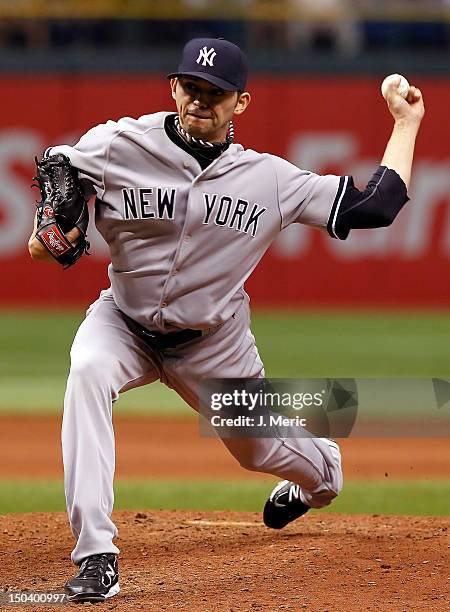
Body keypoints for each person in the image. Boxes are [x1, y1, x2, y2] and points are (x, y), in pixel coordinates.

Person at [28, 37, 425, 603]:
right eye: (191, 87)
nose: (199, 101)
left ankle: (322, 474)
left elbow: (376, 207)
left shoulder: (268, 181)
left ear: (241, 103)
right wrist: (56, 217)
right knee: (87, 371)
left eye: (216, 94)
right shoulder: (118, 143)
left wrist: (405, 124)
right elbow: (60, 169)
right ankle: (97, 554)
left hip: (213, 345)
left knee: (258, 452)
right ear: (173, 87)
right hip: (122, 319)